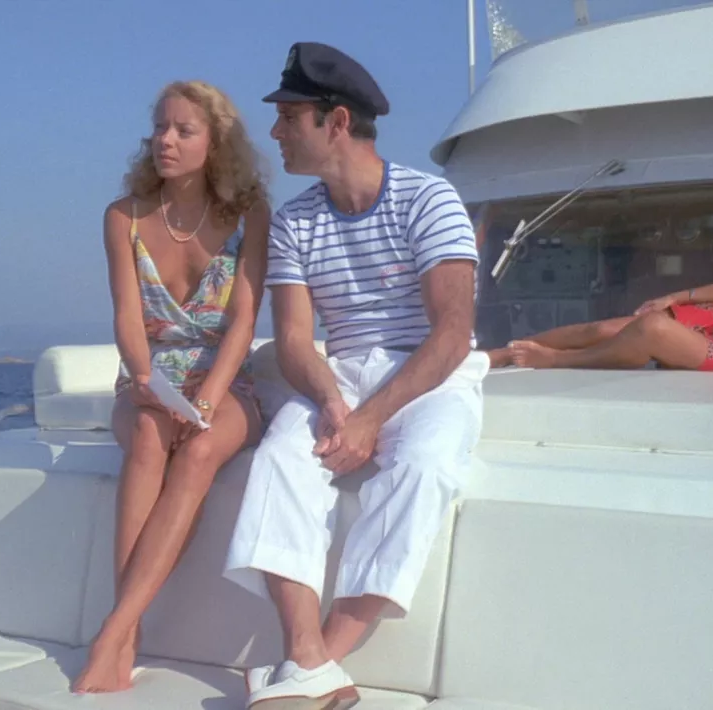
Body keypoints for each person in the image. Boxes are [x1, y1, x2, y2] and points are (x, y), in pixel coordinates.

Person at [221, 42, 488, 708]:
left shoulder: (429, 200)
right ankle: (309, 662)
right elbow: (294, 340)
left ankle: (312, 664)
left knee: (423, 464)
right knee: (280, 457)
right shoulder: (295, 222)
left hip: (429, 375)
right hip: (336, 374)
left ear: (336, 121)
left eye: (289, 117)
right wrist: (333, 400)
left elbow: (451, 335)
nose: (275, 131)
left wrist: (371, 418)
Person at [72, 80, 271, 694]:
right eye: (160, 127)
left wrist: (206, 398)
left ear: (216, 143)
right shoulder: (123, 217)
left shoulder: (250, 216)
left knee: (202, 449)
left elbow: (244, 321)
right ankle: (127, 634)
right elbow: (127, 318)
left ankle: (115, 631)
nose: (165, 140)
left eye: (184, 130)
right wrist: (145, 379)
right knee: (149, 435)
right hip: (148, 373)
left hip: (225, 377)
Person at [488, 278, 713, 372]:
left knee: (651, 329)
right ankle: (504, 353)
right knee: (599, 330)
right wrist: (675, 297)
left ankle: (555, 359)